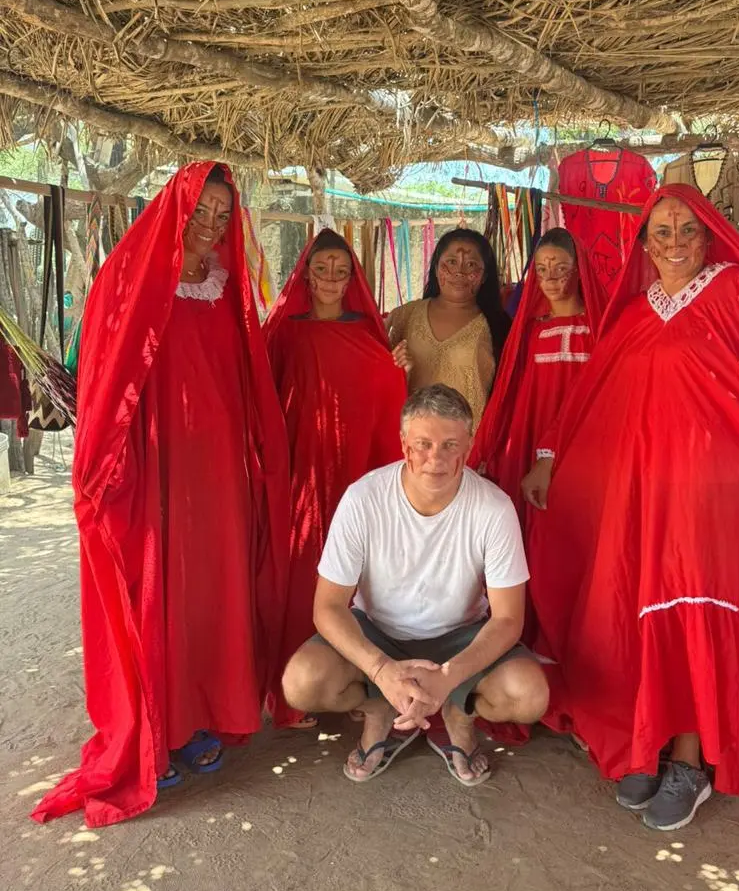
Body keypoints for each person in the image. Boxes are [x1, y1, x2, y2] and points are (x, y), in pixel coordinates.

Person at [524, 184, 739, 835]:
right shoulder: (631, 315)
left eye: (687, 229)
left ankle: (690, 759)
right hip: (644, 498)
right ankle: (646, 740)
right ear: (644, 242)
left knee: (692, 614)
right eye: (661, 231)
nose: (675, 242)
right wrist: (550, 454)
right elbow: (591, 394)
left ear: (709, 233)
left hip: (715, 499)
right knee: (641, 612)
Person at [32, 163, 290, 827]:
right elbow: (104, 377)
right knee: (157, 590)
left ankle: (206, 714)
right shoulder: (127, 276)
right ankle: (158, 730)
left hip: (218, 472)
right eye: (198, 210)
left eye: (221, 216)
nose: (208, 226)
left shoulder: (229, 287)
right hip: (153, 466)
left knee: (209, 591)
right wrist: (107, 464)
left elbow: (244, 375)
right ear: (173, 206)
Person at [280, 383, 549, 786]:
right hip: (378, 634)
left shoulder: (494, 507)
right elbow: (328, 606)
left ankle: (458, 714)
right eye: (423, 444)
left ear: (469, 444)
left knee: (529, 694)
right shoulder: (364, 498)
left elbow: (509, 618)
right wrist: (382, 669)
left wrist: (449, 676)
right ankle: (379, 709)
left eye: (449, 445)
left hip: (460, 637)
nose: (435, 459)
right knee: (301, 682)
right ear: (404, 444)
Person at [265, 229, 407, 728]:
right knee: (302, 569)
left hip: (352, 474)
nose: (330, 278)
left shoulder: (367, 333)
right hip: (302, 475)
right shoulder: (284, 331)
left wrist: (395, 372)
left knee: (355, 572)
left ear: (352, 278)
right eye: (321, 268)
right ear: (305, 273)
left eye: (340, 270)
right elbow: (264, 399)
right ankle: (295, 685)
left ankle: (354, 676)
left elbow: (384, 395)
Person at [470, 228, 604, 537]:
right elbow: (510, 392)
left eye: (561, 270)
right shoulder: (530, 331)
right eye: (543, 271)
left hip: (587, 437)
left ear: (579, 270)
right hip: (534, 434)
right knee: (538, 527)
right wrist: (489, 448)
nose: (552, 280)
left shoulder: (600, 327)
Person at [387, 229, 510, 429]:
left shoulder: (499, 327)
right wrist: (399, 372)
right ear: (436, 267)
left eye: (470, 265)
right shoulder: (404, 316)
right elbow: (377, 383)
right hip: (412, 444)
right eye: (451, 262)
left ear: (485, 275)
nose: (459, 272)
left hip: (469, 450)